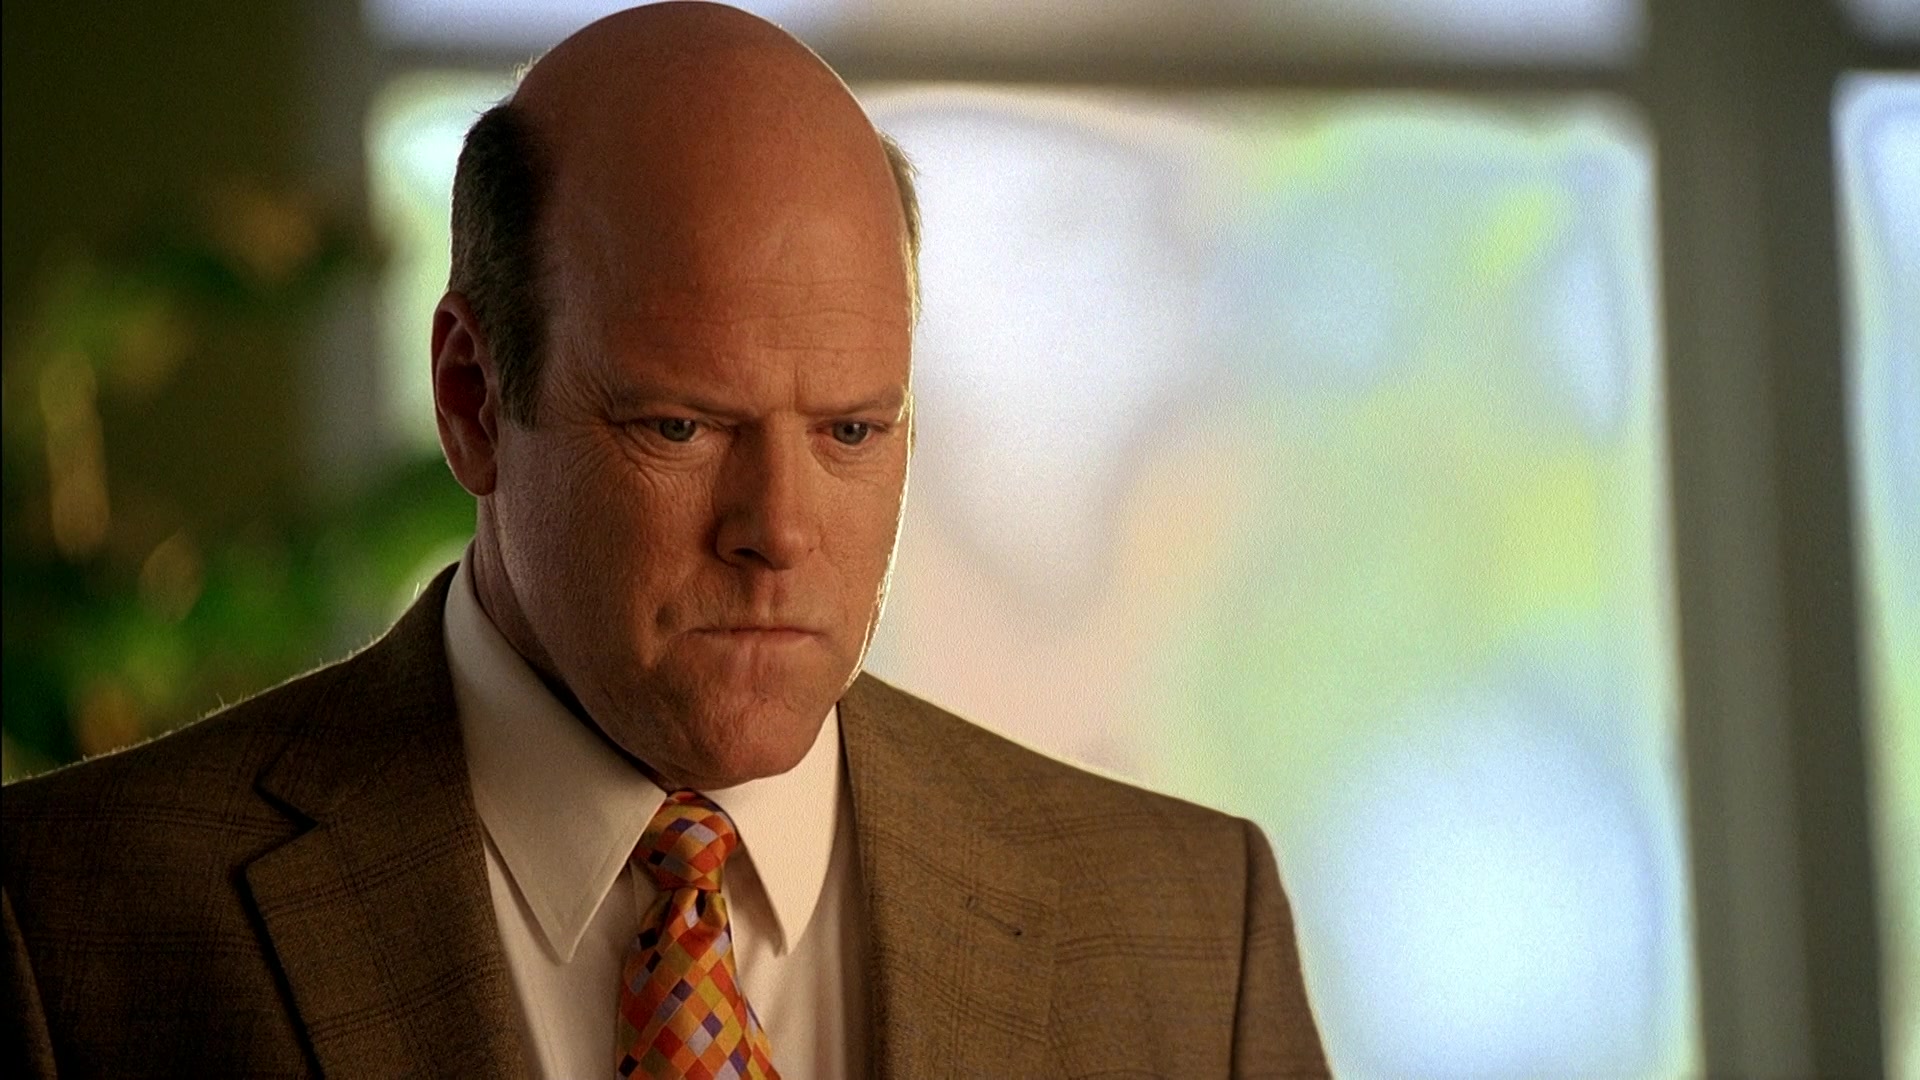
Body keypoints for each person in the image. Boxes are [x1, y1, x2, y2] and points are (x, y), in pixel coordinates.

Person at [2, 3, 1327, 1076]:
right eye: (681, 426)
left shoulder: (1192, 938)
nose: (780, 531)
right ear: (471, 400)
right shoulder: (65, 926)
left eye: (852, 431)